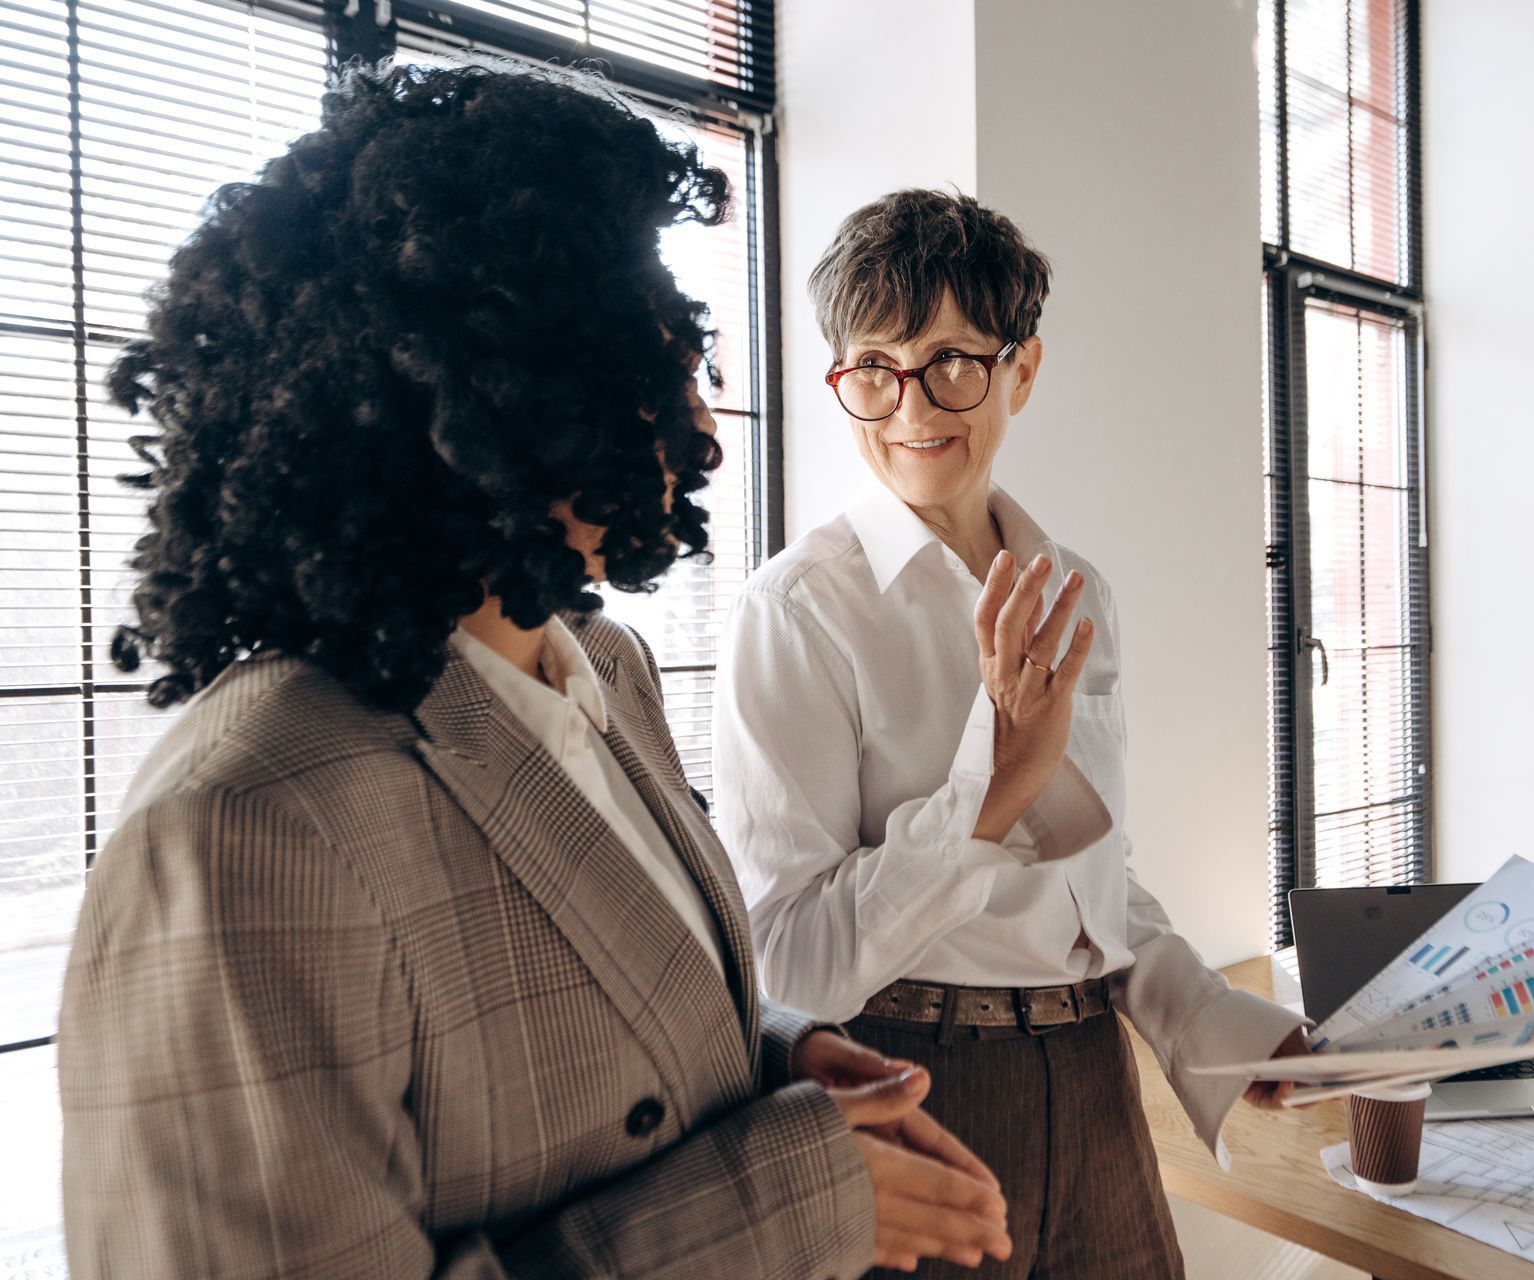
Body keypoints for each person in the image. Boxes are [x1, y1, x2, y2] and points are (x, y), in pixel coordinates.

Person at [58, 63, 1013, 1279]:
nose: (706, 429)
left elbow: (579, 1024)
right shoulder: (245, 822)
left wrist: (773, 1054)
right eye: (663, 365)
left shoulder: (599, 670)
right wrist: (799, 1190)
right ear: (503, 386)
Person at [713, 189, 1309, 1279]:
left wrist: (1220, 1021)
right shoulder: (795, 609)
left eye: (951, 360)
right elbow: (788, 954)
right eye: (875, 366)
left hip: (1092, 1080)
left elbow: (1099, 883)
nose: (911, 405)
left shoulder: (1077, 588)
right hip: (911, 1085)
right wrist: (991, 784)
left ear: (1021, 370)